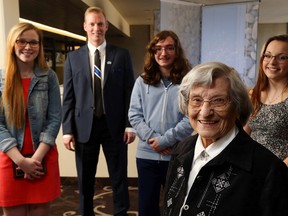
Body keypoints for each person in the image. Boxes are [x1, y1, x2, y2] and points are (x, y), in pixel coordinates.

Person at [163, 62, 288, 216]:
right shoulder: (180, 150)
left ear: (237, 108)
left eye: (218, 100)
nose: (205, 112)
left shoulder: (269, 170)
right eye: (196, 100)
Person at [62, 6, 135, 216]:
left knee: (119, 178)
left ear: (106, 26)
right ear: (85, 26)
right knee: (85, 179)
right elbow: (69, 97)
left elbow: (129, 93)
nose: (96, 28)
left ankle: (121, 213)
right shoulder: (72, 59)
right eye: (92, 24)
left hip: (115, 127)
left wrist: (130, 125)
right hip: (84, 128)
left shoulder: (121, 55)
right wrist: (67, 130)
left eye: (100, 24)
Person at [128, 30, 193, 216]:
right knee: (147, 207)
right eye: (158, 48)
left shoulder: (189, 82)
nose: (163, 53)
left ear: (177, 51)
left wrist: (166, 140)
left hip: (178, 153)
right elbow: (134, 115)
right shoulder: (141, 81)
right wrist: (154, 140)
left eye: (169, 48)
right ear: (152, 52)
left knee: (176, 206)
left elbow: (191, 117)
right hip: (147, 155)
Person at [0, 22, 62, 215]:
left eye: (33, 42)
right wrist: (21, 161)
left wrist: (35, 159)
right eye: (22, 41)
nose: (28, 47)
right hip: (10, 158)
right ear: (12, 43)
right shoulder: (1, 79)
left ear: (40, 46)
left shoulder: (48, 76)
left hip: (42, 157)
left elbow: (54, 119)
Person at [244, 34, 288, 166]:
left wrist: (278, 173)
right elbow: (245, 133)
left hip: (280, 173)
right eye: (268, 56)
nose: (272, 62)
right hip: (252, 168)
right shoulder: (253, 93)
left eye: (281, 57)